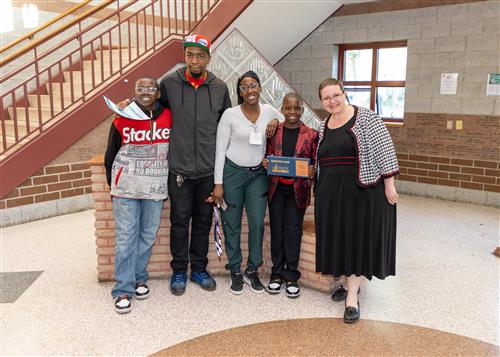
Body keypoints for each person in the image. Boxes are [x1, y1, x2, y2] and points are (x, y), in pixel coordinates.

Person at [119, 34, 232, 295]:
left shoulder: (220, 87)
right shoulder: (169, 83)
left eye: (200, 55)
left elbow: (227, 125)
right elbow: (152, 110)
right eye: (190, 54)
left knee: (202, 222)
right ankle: (179, 270)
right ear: (184, 56)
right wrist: (129, 104)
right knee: (180, 221)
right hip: (179, 170)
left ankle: (200, 269)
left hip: (206, 171)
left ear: (208, 58)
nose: (195, 60)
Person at [315, 78, 399, 324]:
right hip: (331, 195)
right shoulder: (323, 125)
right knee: (339, 241)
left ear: (344, 93)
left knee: (356, 243)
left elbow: (385, 149)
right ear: (322, 101)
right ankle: (346, 282)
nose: (332, 101)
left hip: (361, 192)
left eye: (336, 95)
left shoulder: (366, 117)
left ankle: (352, 298)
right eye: (326, 98)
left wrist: (389, 184)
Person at [104, 77, 172, 314]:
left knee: (147, 234)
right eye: (140, 88)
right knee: (126, 237)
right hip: (126, 187)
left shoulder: (169, 116)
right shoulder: (123, 116)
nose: (146, 91)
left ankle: (139, 277)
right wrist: (112, 185)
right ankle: (123, 289)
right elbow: (111, 152)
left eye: (151, 88)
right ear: (134, 92)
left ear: (158, 92)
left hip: (154, 186)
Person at [212, 70, 282, 295]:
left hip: (258, 176)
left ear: (260, 87)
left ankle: (253, 269)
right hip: (232, 173)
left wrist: (274, 120)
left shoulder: (270, 110)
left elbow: (288, 120)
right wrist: (218, 183)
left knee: (257, 224)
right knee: (231, 223)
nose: (249, 90)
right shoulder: (230, 114)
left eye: (253, 85)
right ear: (239, 92)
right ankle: (235, 269)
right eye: (244, 87)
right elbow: (220, 150)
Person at [262, 93, 318, 299]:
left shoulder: (311, 135)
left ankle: (292, 276)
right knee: (277, 230)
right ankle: (276, 274)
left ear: (301, 110)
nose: (292, 112)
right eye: (288, 108)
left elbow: (315, 161)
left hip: (298, 191)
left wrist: (313, 171)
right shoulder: (274, 132)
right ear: (283, 109)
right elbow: (267, 154)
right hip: (277, 189)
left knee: (293, 231)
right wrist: (266, 162)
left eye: (296, 108)